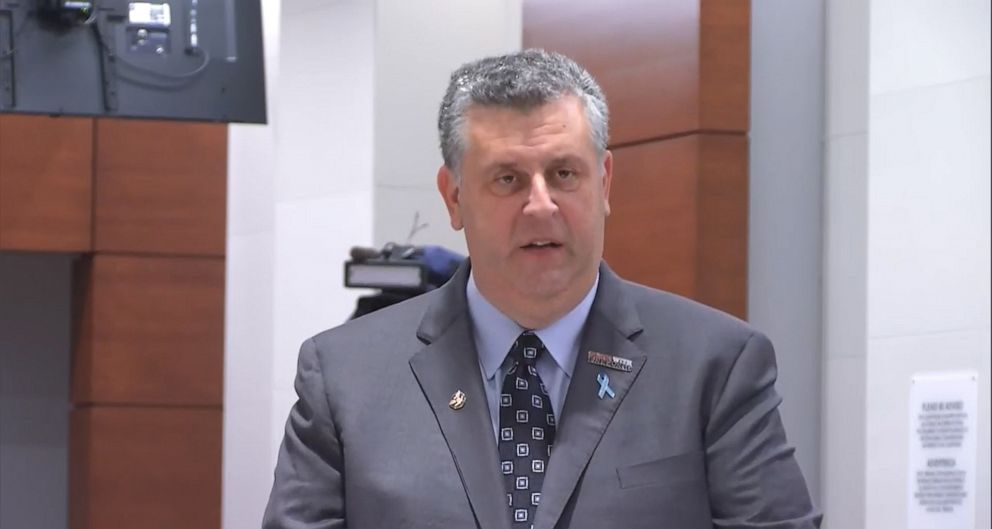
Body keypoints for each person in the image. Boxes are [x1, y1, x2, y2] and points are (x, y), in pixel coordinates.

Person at [262, 49, 821, 529]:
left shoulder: (716, 367)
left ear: (603, 183)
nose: (541, 205)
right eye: (507, 179)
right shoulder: (344, 378)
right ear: (453, 197)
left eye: (564, 174)